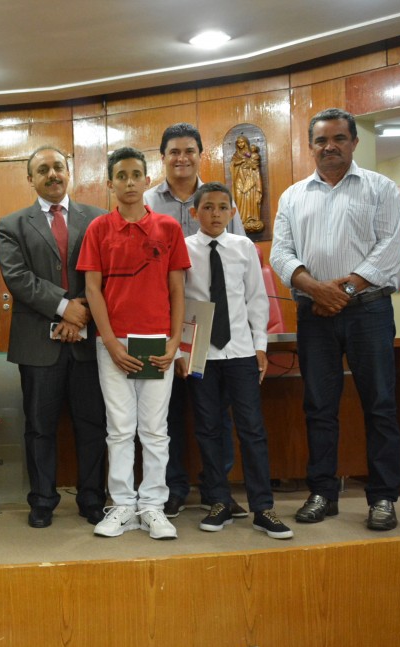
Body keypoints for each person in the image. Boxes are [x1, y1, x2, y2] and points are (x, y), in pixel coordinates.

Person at [269, 108, 400, 531]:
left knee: (380, 404)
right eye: (321, 140)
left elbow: (390, 247)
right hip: (315, 314)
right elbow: (281, 253)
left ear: (353, 142)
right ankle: (322, 492)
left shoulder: (380, 188)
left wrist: (342, 291)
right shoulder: (293, 196)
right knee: (319, 406)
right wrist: (315, 288)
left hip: (369, 311)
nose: (330, 147)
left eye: (339, 138)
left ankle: (382, 497)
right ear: (310, 146)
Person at [79, 147, 189, 540]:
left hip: (156, 341)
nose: (129, 182)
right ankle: (123, 504)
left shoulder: (168, 229)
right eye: (121, 176)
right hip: (114, 343)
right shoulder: (98, 229)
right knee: (120, 428)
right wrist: (109, 342)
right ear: (110, 183)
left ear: (147, 180)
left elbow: (177, 288)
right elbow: (93, 289)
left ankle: (153, 507)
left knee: (155, 429)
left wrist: (175, 340)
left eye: (136, 175)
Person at [0, 145, 108, 529]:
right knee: (39, 426)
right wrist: (66, 309)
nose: (52, 175)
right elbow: (18, 278)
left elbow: (107, 277)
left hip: (88, 340)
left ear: (69, 171)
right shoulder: (11, 225)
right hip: (37, 344)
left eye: (58, 167)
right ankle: (43, 499)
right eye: (42, 170)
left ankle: (93, 498)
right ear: (31, 179)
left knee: (92, 424)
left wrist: (82, 315)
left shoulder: (97, 219)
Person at [177, 182, 292, 539]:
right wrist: (182, 351)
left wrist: (260, 346)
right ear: (194, 213)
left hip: (240, 351)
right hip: (200, 352)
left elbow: (257, 300)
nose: (215, 214)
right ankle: (218, 501)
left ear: (232, 212)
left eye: (222, 207)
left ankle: (263, 507)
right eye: (207, 207)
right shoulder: (182, 249)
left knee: (252, 429)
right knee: (208, 428)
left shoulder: (243, 247)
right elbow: (177, 302)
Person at [143, 123, 244, 520]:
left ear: (200, 154)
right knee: (161, 411)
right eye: (173, 151)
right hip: (158, 323)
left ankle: (218, 490)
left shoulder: (219, 198)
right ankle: (171, 489)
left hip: (208, 325)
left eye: (189, 150)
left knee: (214, 411)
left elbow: (237, 260)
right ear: (163, 157)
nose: (181, 157)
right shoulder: (148, 201)